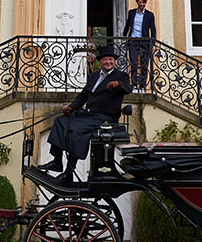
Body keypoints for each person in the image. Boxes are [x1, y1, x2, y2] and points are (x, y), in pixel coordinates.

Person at [37, 47, 131, 182]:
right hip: (90, 115)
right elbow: (83, 96)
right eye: (105, 59)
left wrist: (118, 84)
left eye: (111, 59)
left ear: (114, 61)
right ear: (100, 62)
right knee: (60, 121)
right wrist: (71, 107)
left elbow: (128, 88)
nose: (108, 62)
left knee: (76, 130)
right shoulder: (94, 75)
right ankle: (57, 161)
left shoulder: (120, 75)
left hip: (105, 118)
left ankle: (69, 173)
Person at [121, 0, 156, 90]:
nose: (142, 4)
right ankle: (134, 85)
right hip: (133, 40)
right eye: (140, 2)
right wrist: (124, 35)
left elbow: (153, 29)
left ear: (145, 3)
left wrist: (153, 44)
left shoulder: (150, 15)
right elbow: (128, 24)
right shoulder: (132, 12)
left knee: (144, 64)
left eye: (143, 3)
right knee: (134, 63)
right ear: (137, 2)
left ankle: (142, 86)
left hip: (144, 42)